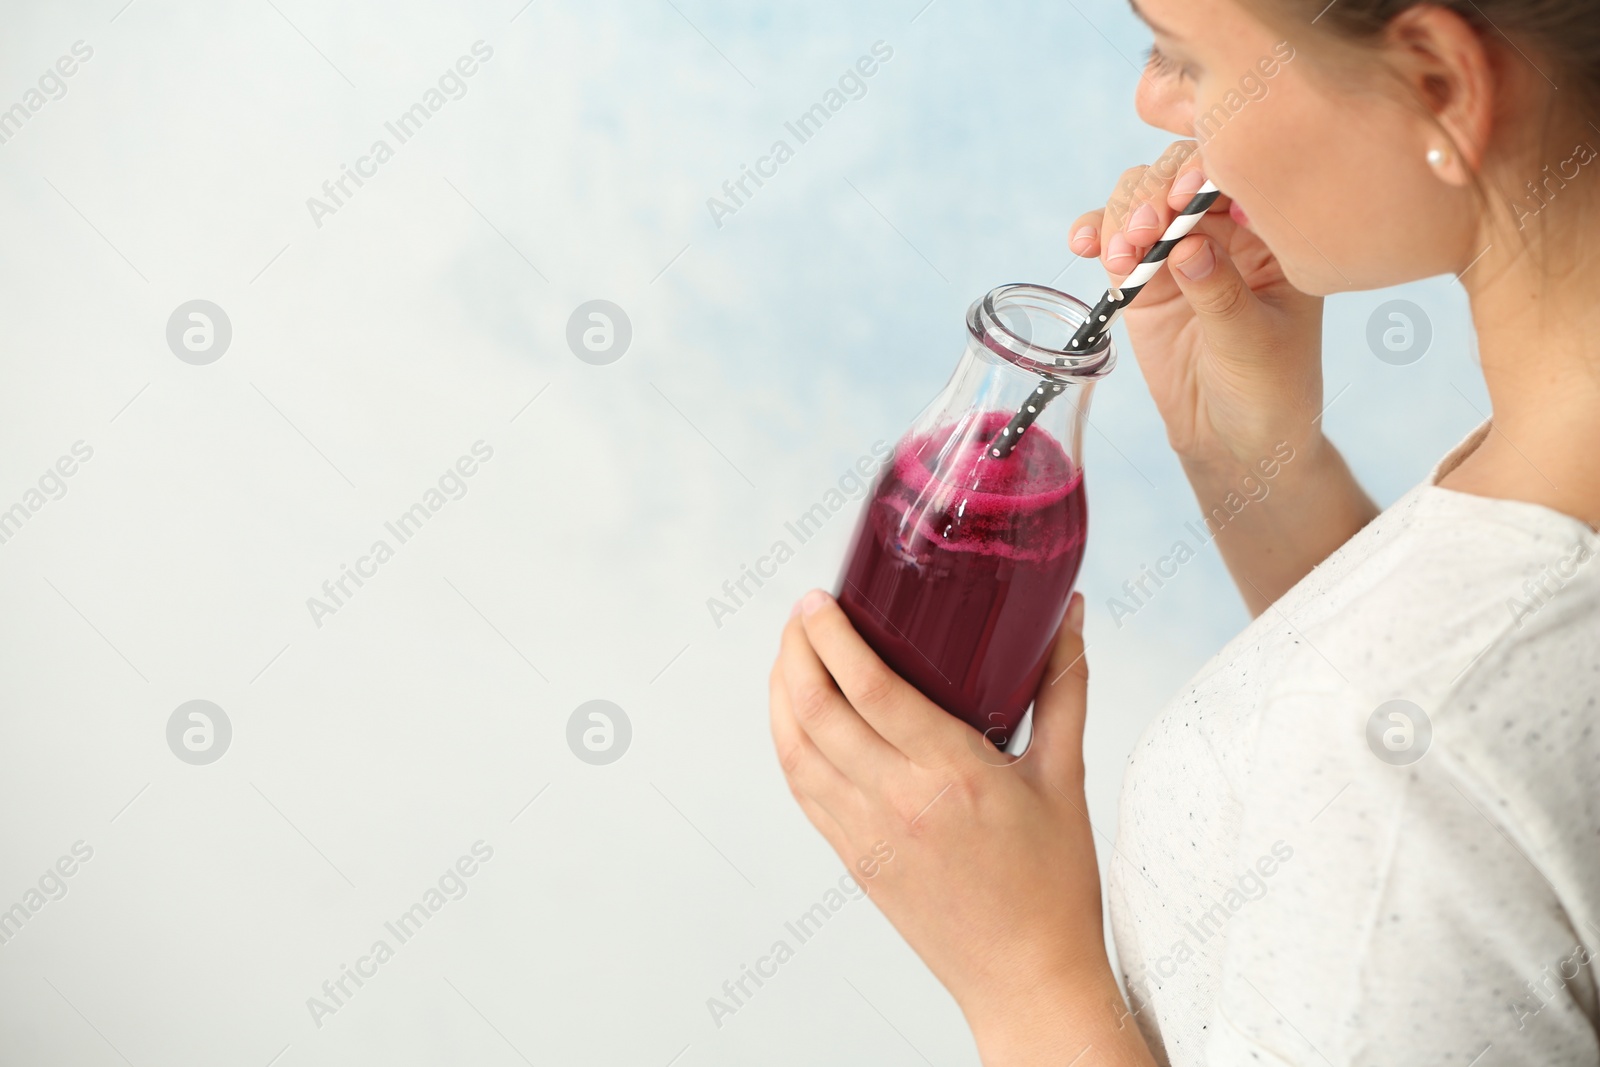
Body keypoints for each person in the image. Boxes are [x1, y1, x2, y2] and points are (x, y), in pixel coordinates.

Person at [767, 0, 1600, 1061]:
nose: (1151, 99)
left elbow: (1430, 745)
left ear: (1437, 79)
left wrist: (1026, 974)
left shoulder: (1389, 776)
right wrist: (1258, 470)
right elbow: (1487, 693)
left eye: (1182, 55)